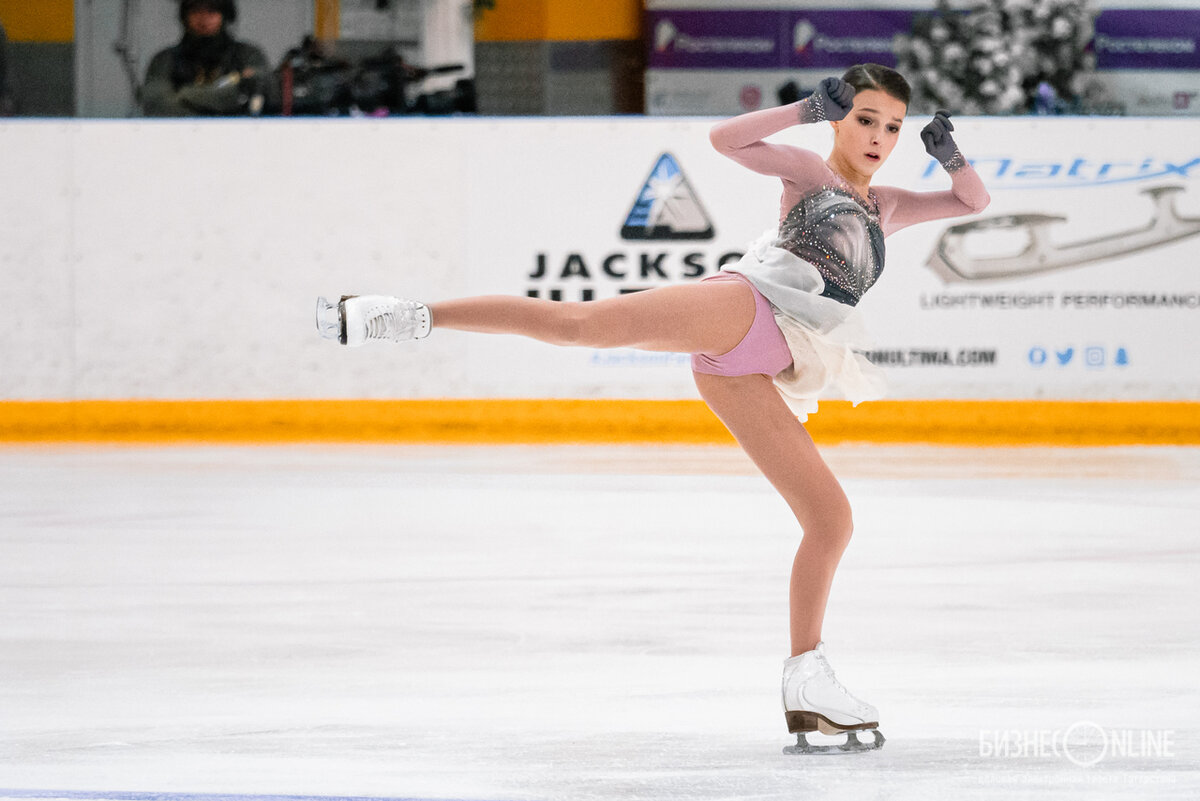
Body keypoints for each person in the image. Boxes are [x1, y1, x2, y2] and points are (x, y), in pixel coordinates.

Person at [315, 64, 990, 754]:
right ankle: (401, 315)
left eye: (892, 128)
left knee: (831, 518)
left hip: (753, 365)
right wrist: (804, 111)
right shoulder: (809, 173)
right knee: (578, 324)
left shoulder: (889, 208)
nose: (877, 137)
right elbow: (726, 140)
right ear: (842, 120)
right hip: (743, 311)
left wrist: (950, 155)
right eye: (865, 120)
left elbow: (971, 201)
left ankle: (806, 681)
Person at [141, 0, 269, 117]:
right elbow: (156, 103)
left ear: (225, 15)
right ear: (185, 16)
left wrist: (185, 94)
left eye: (211, 11)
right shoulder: (166, 59)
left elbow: (257, 90)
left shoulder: (246, 55)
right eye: (195, 11)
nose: (204, 18)